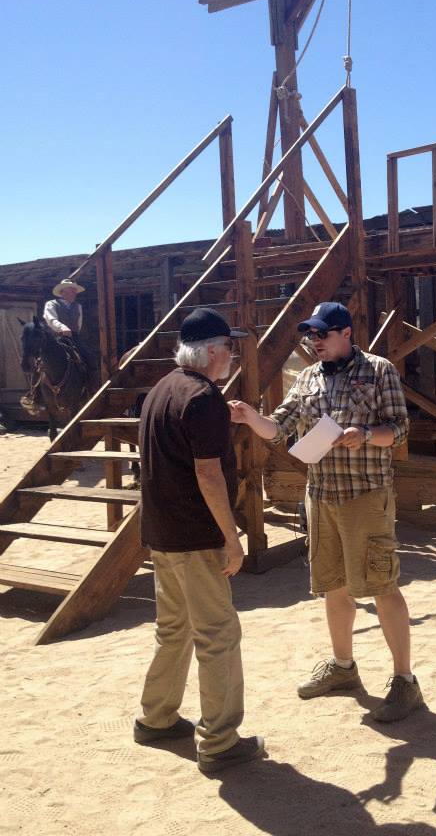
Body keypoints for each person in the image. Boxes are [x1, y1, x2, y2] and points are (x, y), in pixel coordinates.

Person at [231, 301, 425, 723]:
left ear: (346, 333)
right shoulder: (306, 378)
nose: (314, 342)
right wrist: (249, 417)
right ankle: (342, 669)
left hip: (366, 496)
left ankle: (405, 682)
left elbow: (400, 429)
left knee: (381, 585)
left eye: (322, 334)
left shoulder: (379, 371)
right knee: (333, 586)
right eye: (311, 336)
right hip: (320, 496)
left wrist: (366, 435)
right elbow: (279, 428)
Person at [134, 306, 265, 774]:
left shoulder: (161, 390)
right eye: (228, 347)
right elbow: (208, 473)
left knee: (173, 630)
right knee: (217, 635)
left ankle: (156, 717)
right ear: (211, 351)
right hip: (195, 536)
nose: (231, 355)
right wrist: (232, 539)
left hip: (163, 533)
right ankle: (219, 741)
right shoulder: (204, 397)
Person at [43, 278, 94, 377]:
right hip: (56, 337)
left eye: (75, 291)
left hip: (73, 338)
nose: (74, 293)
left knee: (89, 357)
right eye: (72, 290)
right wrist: (62, 328)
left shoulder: (78, 306)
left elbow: (78, 324)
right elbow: (50, 319)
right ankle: (36, 388)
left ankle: (92, 385)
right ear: (63, 292)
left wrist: (73, 332)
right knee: (41, 360)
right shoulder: (51, 304)